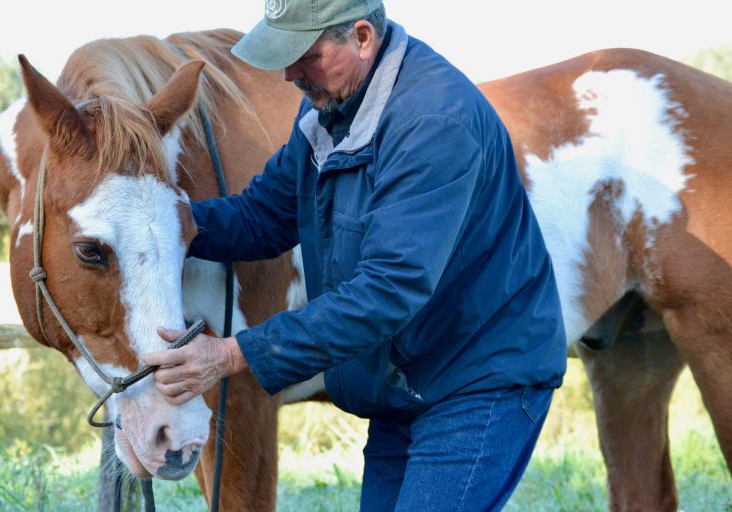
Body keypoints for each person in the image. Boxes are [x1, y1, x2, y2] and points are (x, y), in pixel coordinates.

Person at [143, 1, 567, 510]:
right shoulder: (330, 107)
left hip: (477, 380)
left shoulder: (433, 122)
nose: (288, 73)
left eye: (306, 54)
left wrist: (233, 353)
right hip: (405, 381)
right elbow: (267, 213)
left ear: (362, 37)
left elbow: (387, 292)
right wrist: (173, 221)